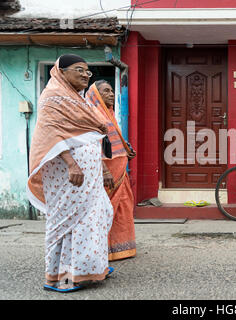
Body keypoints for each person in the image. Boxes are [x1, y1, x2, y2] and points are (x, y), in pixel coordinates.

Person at [27, 54, 114, 293]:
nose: (86, 75)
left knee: (98, 216)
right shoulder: (53, 99)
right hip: (68, 175)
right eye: (79, 70)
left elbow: (91, 137)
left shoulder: (78, 99)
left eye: (88, 72)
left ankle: (91, 267)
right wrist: (72, 164)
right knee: (69, 224)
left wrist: (102, 168)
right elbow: (52, 135)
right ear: (61, 72)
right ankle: (63, 278)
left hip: (90, 175)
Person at [85, 80, 137, 261]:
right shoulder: (92, 114)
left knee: (122, 208)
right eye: (106, 91)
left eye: (112, 91)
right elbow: (91, 144)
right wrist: (104, 169)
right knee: (105, 210)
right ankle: (101, 249)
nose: (111, 94)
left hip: (119, 169)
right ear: (96, 95)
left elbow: (112, 141)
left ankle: (121, 248)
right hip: (105, 172)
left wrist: (126, 150)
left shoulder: (110, 114)